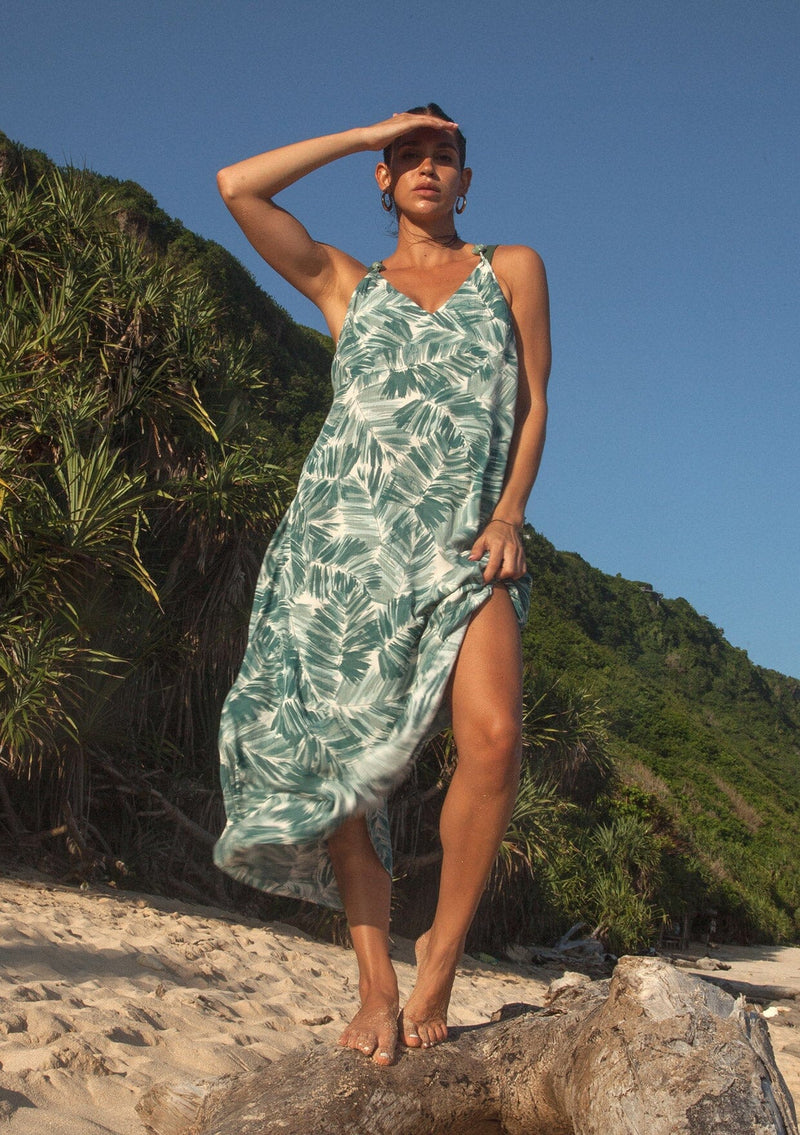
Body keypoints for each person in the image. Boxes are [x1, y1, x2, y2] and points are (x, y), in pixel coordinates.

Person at [213, 104, 551, 1066]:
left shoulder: (511, 269)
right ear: (385, 178)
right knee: (342, 769)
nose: (426, 167)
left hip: (468, 542)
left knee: (495, 737)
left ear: (466, 180)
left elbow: (533, 402)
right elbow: (238, 186)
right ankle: (374, 983)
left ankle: (440, 952)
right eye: (408, 156)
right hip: (342, 550)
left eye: (443, 155)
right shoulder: (346, 285)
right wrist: (365, 134)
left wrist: (509, 514)